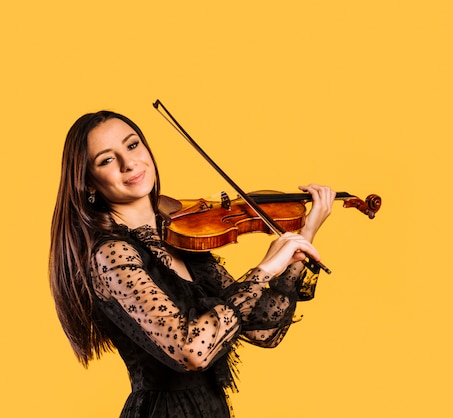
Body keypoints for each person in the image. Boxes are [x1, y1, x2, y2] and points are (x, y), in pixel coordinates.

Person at [49, 110, 335, 417]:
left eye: (132, 145)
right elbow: (192, 350)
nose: (128, 163)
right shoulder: (111, 255)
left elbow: (264, 331)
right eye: (106, 160)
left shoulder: (181, 236)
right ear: (88, 184)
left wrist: (304, 236)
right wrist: (264, 269)